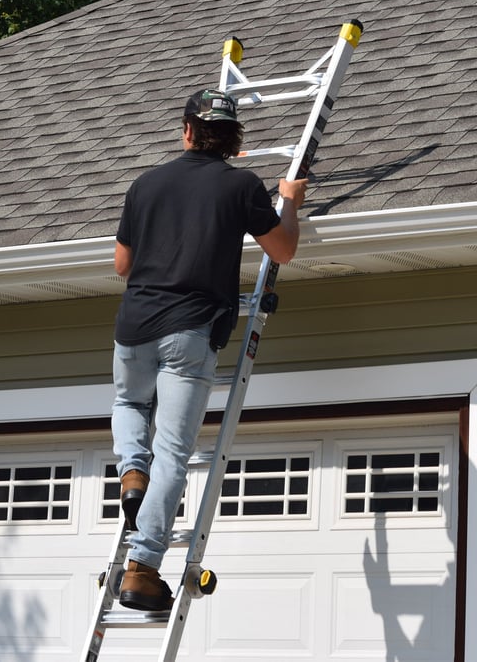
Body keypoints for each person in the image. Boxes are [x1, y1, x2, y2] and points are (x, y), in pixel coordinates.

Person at [111, 89, 308, 612]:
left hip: (133, 327)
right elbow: (283, 249)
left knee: (129, 404)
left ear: (187, 131)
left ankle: (132, 473)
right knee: (173, 452)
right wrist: (289, 201)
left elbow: (122, 265)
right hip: (189, 331)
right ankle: (141, 569)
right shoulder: (241, 185)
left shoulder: (145, 184)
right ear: (233, 140)